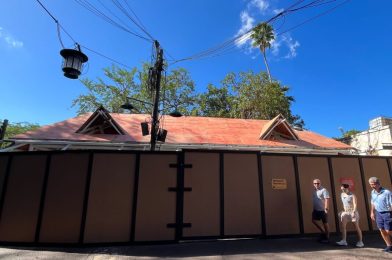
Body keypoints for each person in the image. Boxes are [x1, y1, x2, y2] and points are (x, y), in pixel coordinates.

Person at [369, 177, 392, 253]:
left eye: (373, 184)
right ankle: (389, 246)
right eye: (371, 185)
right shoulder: (373, 192)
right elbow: (373, 202)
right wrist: (372, 212)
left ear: (378, 184)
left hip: (387, 213)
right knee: (381, 230)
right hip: (378, 213)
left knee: (388, 230)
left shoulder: (387, 192)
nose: (372, 186)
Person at [312, 179, 330, 243]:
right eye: (315, 183)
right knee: (314, 221)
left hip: (323, 210)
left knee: (325, 223)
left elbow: (327, 199)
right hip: (316, 209)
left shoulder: (324, 190)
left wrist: (326, 208)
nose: (316, 184)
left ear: (320, 183)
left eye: (318, 183)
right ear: (313, 184)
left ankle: (327, 237)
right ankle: (323, 232)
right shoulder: (314, 191)